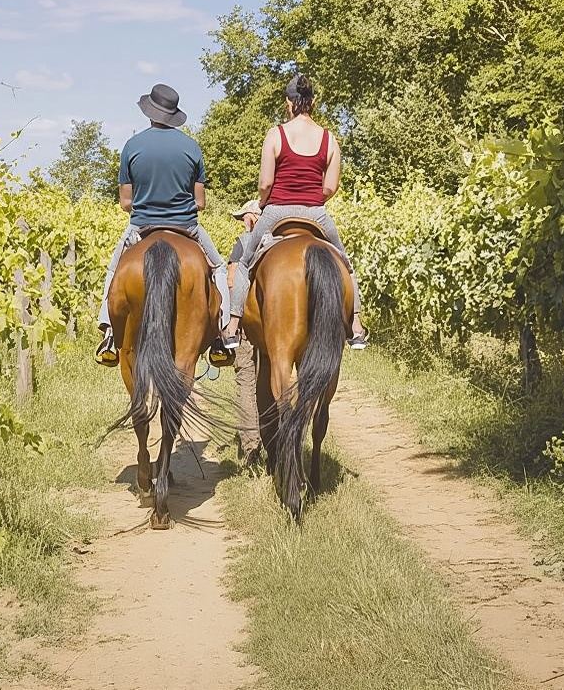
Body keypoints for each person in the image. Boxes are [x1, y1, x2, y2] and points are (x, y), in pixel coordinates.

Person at [220, 73, 367, 349]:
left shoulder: (276, 135)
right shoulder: (329, 139)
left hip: (277, 210)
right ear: (313, 102)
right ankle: (356, 326)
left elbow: (265, 183)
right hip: (316, 213)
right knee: (345, 264)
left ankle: (233, 325)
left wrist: (266, 202)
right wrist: (311, 197)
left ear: (289, 103)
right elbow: (331, 186)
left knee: (245, 263)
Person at [95, 83, 230, 366]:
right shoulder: (191, 147)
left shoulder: (132, 146)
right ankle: (221, 336)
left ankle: (108, 333)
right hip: (187, 226)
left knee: (113, 270)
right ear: (173, 114)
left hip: (141, 227)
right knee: (218, 270)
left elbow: (125, 202)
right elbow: (201, 202)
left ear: (150, 112)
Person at [228, 199, 262, 467]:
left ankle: (251, 446)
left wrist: (230, 321)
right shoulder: (277, 241)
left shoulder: (242, 243)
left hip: (246, 325)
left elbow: (230, 280)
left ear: (252, 218)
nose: (242, 222)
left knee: (246, 380)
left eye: (243, 217)